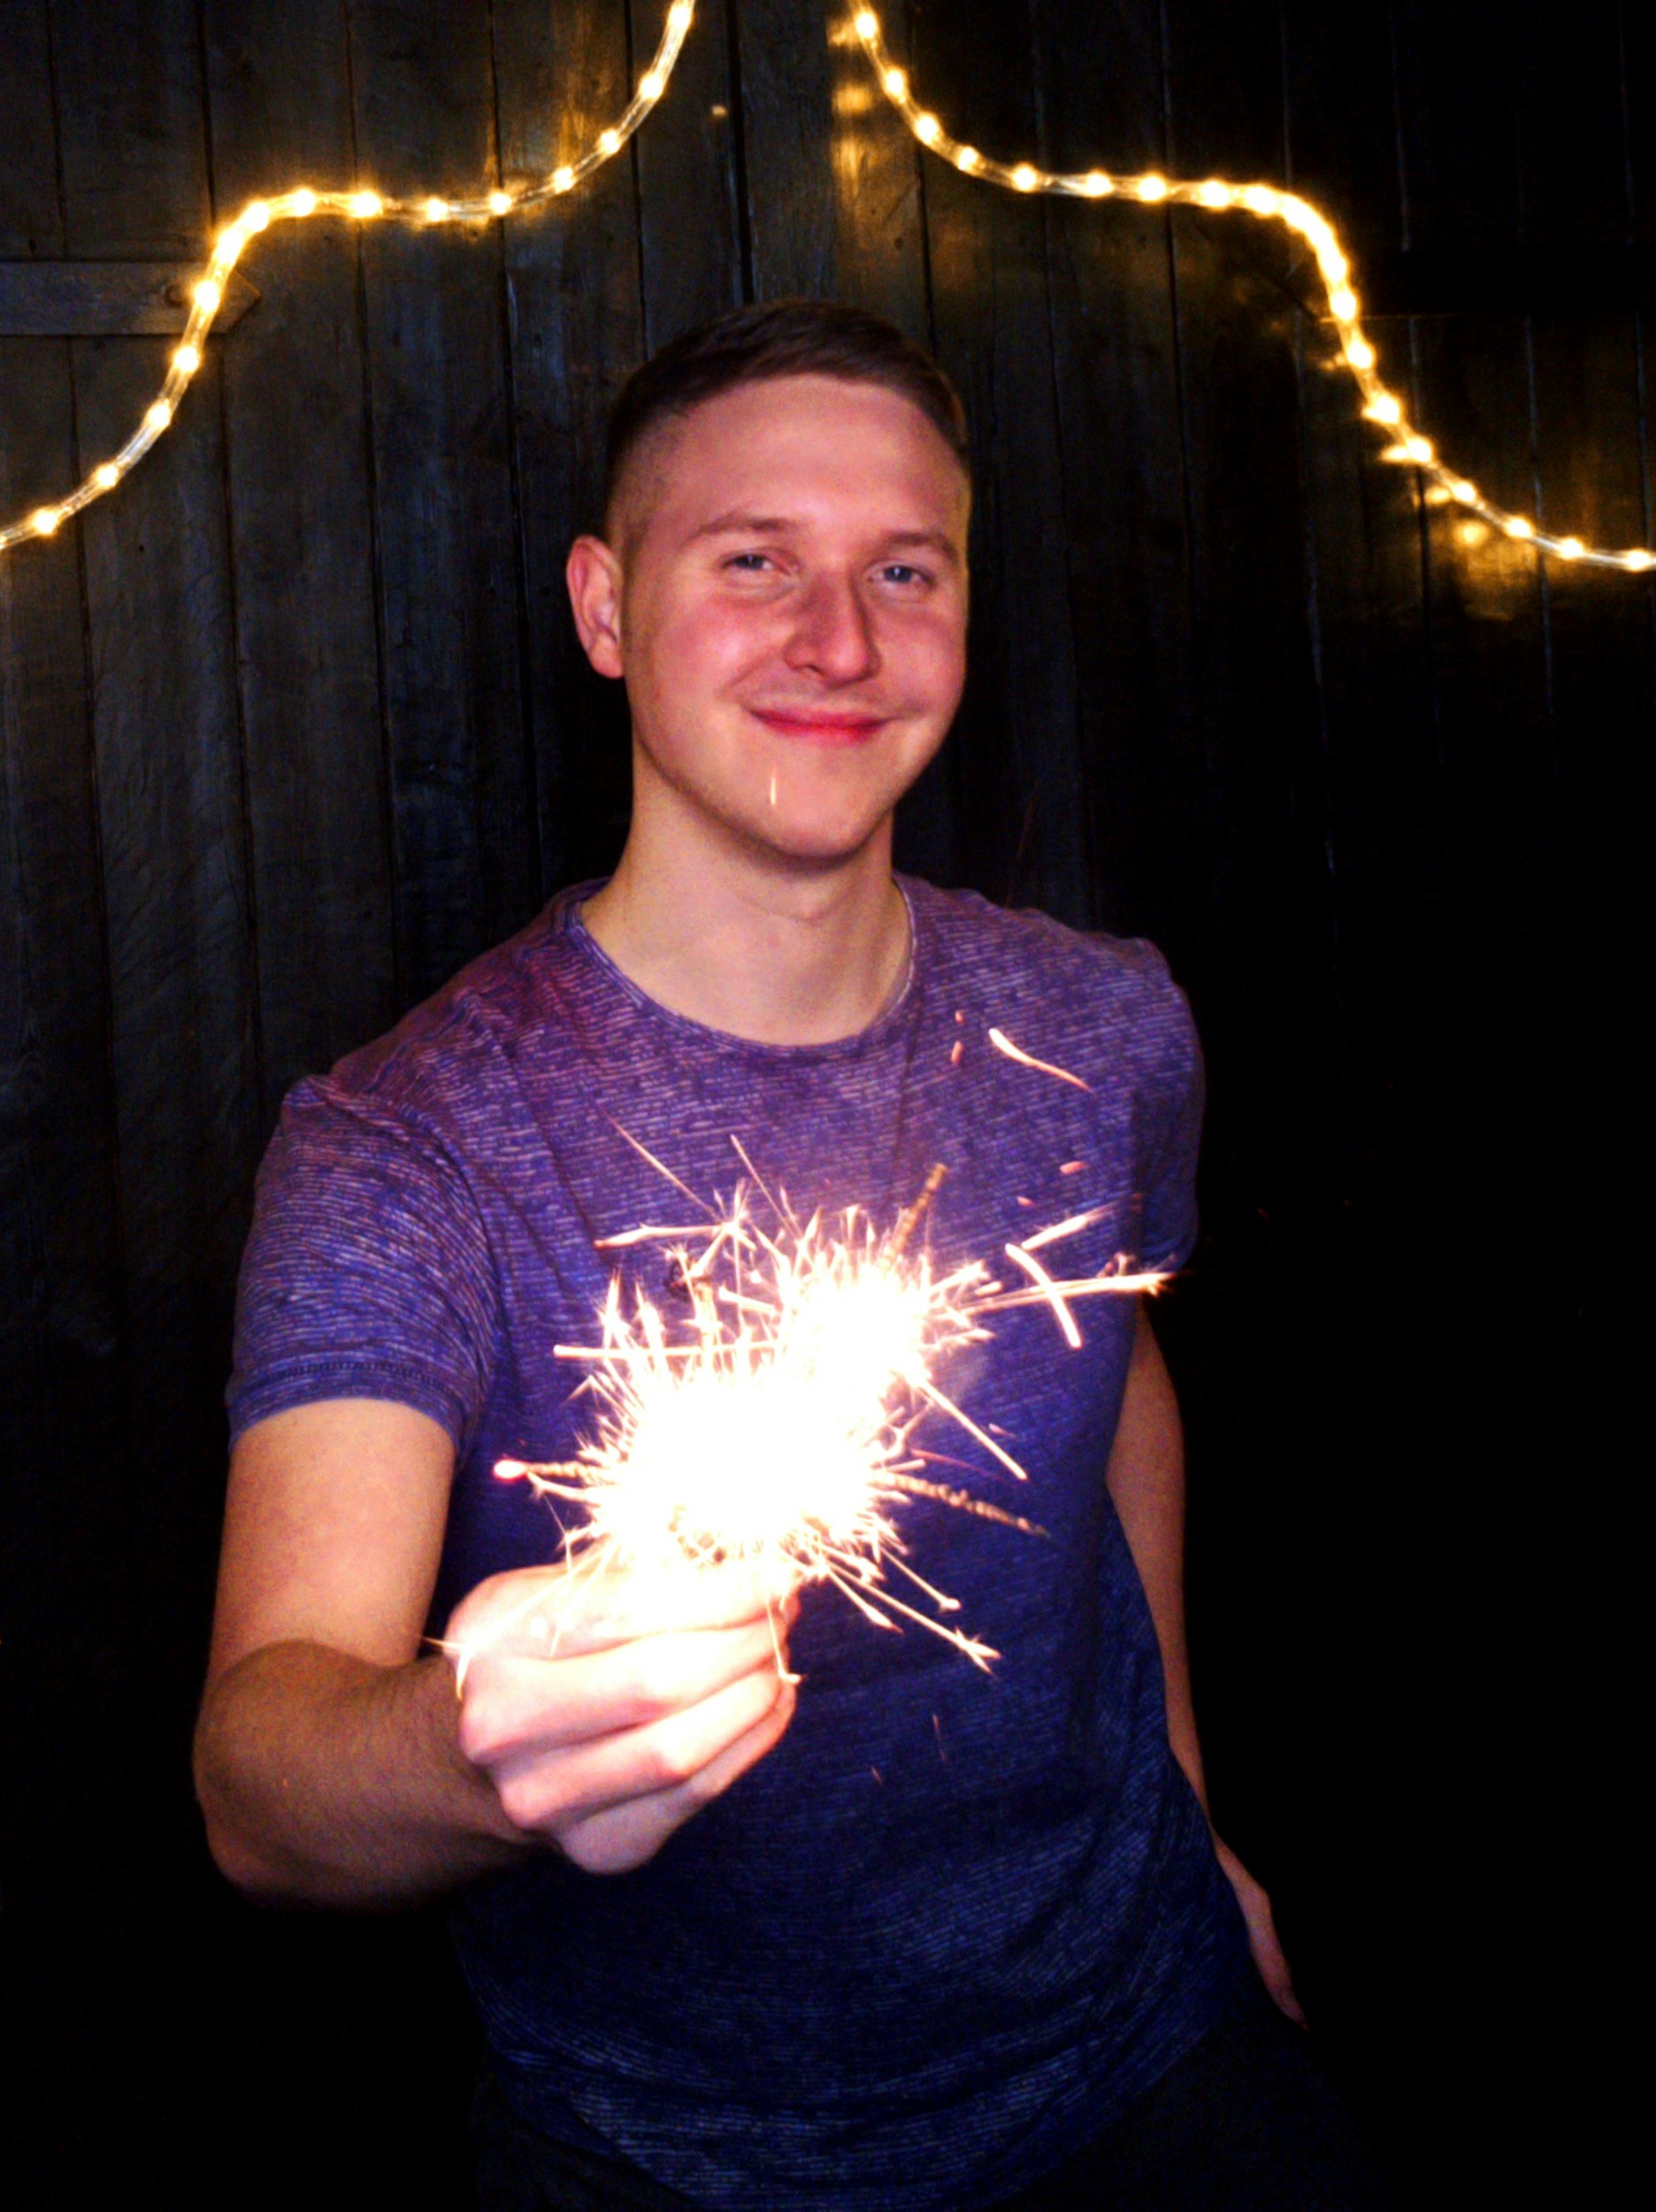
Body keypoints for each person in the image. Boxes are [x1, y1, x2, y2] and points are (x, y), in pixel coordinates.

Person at [195, 301, 1389, 2209]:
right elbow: (261, 1773)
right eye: (753, 561)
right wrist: (473, 1742)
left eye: (900, 571)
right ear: (604, 609)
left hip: (1160, 2059)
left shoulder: (1106, 1028)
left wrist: (1186, 1798)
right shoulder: (405, 1144)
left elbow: (1115, 1381)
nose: (837, 641)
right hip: (665, 2158)